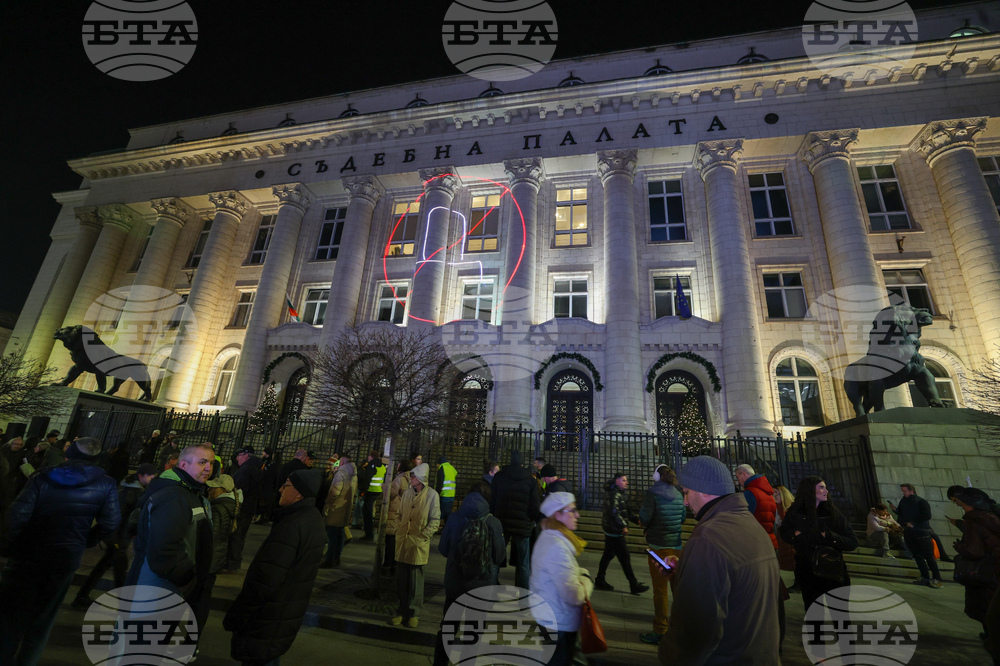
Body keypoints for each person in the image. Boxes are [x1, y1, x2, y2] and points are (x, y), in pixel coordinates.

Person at [0, 437, 119, 665]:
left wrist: (8, 546)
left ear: (69, 455)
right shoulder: (106, 484)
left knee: (10, 619)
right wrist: (86, 540)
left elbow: (16, 516)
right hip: (65, 558)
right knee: (42, 621)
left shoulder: (42, 477)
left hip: (28, 554)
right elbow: (110, 522)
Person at [653, 456, 781, 664]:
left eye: (686, 492)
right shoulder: (751, 525)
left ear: (704, 490)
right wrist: (683, 572)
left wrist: (669, 656)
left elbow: (696, 626)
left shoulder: (709, 537)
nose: (685, 501)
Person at [224, 469, 326, 665]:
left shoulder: (291, 526)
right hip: (284, 612)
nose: (280, 489)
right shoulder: (313, 519)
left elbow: (265, 579)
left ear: (299, 493)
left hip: (268, 615)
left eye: (286, 485)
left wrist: (239, 614)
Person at [127, 443, 216, 636]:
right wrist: (186, 578)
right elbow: (165, 547)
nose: (208, 468)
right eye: (202, 462)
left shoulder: (188, 491)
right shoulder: (174, 495)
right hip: (157, 587)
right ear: (183, 465)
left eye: (211, 463)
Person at [433, 480, 505, 666]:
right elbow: (499, 556)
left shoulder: (454, 518)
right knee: (473, 632)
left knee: (448, 628)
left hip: (455, 584)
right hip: (481, 588)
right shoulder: (493, 522)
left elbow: (443, 549)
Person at [72, 463, 158, 608]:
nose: (151, 479)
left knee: (114, 568)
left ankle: (83, 597)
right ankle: (122, 603)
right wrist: (116, 540)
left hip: (119, 538)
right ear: (141, 476)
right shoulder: (131, 492)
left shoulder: (129, 488)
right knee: (116, 568)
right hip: (118, 538)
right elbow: (117, 518)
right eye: (150, 476)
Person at [530, 492, 593, 666]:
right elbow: (574, 595)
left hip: (553, 616)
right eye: (572, 511)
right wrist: (586, 579)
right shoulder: (556, 546)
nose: (577, 515)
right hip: (559, 622)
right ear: (557, 514)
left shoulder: (550, 537)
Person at [778, 475, 859, 612]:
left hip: (833, 571)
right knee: (814, 615)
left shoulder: (833, 513)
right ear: (809, 490)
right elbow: (785, 532)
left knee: (840, 615)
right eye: (821, 488)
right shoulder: (795, 512)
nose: (826, 491)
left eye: (825, 487)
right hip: (808, 571)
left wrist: (829, 536)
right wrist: (795, 535)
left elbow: (852, 542)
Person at [637, 464, 686, 645]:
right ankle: (681, 627)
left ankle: (660, 629)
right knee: (677, 589)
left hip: (658, 547)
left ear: (656, 477)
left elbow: (644, 518)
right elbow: (682, 518)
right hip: (676, 546)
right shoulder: (679, 494)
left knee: (660, 591)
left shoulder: (652, 493)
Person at [951, 486, 1000, 661]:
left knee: (988, 612)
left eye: (962, 504)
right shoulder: (991, 517)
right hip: (995, 570)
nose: (961, 506)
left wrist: (959, 546)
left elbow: (974, 551)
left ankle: (992, 640)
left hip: (984, 572)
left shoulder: (974, 520)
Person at [389, 462, 440, 628]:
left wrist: (424, 535)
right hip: (403, 542)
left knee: (416, 581)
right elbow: (400, 514)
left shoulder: (432, 495)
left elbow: (435, 520)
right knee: (401, 581)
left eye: (413, 476)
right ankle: (401, 611)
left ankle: (414, 613)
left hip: (417, 543)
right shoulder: (407, 493)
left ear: (421, 478)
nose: (410, 478)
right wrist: (398, 528)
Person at [490, 450, 541, 589]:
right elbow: (535, 505)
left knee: (496, 560)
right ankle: (523, 595)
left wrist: (494, 514)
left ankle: (490, 591)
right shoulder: (530, 480)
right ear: (522, 464)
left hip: (502, 523)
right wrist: (530, 519)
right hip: (522, 526)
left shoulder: (499, 476)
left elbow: (492, 499)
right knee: (524, 563)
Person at [595, 473, 649, 595]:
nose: (627, 483)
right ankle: (633, 584)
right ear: (617, 481)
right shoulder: (613, 494)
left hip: (612, 530)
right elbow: (613, 512)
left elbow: (626, 511)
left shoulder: (618, 493)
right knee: (624, 557)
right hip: (615, 531)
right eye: (624, 480)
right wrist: (623, 525)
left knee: (608, 555)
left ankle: (600, 579)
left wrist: (637, 521)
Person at [890, 483, 945, 588]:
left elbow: (926, 515)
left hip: (921, 531)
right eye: (902, 491)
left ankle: (936, 578)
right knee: (917, 555)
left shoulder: (921, 501)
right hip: (909, 532)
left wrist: (913, 522)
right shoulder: (903, 501)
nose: (903, 493)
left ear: (911, 491)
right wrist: (895, 510)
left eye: (905, 491)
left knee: (928, 556)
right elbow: (902, 513)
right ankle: (925, 577)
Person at [227, 446, 263, 572]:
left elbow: (240, 490)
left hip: (242, 509)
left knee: (236, 535)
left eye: (239, 456)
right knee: (240, 535)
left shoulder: (245, 470)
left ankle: (232, 563)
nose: (237, 458)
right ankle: (234, 562)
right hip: (249, 508)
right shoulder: (256, 468)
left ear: (246, 456)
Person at [321, 453, 356, 567]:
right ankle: (336, 558)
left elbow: (335, 492)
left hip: (336, 508)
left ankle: (329, 559)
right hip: (345, 508)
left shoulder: (340, 474)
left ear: (343, 462)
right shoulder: (353, 474)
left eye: (340, 462)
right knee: (340, 534)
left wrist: (328, 503)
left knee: (332, 535)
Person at [384, 460, 412, 573]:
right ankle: (395, 564)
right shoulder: (411, 479)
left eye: (399, 464)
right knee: (398, 541)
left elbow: (391, 494)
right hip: (404, 511)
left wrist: (385, 488)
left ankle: (387, 564)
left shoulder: (399, 478)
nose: (397, 466)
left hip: (394, 511)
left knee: (390, 539)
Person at [773, 484, 798, 591]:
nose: (775, 495)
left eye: (777, 493)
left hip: (790, 538)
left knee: (793, 559)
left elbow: (786, 520)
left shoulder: (790, 508)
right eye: (773, 493)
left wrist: (779, 504)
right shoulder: (777, 506)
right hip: (783, 537)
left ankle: (798, 583)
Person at [359, 450, 385, 540]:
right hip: (378, 490)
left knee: (367, 513)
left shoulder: (371, 465)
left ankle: (369, 534)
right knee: (369, 511)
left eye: (369, 456)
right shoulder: (382, 466)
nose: (368, 458)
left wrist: (362, 492)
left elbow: (367, 479)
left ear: (371, 456)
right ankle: (369, 533)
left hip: (370, 491)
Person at [435, 455, 457, 526]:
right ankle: (448, 530)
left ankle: (434, 529)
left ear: (439, 463)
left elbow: (439, 483)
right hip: (451, 496)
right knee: (447, 516)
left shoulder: (442, 468)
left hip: (444, 496)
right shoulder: (452, 468)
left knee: (438, 515)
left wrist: (436, 494)